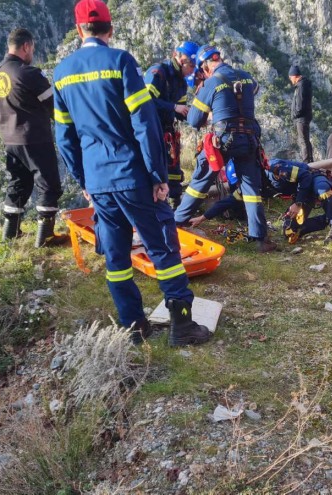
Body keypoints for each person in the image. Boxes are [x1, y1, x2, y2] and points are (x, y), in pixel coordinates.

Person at [52, 0, 210, 347]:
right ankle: (181, 326)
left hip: (98, 179)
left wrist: (85, 182)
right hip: (132, 174)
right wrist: (158, 176)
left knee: (117, 257)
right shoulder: (120, 61)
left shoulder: (62, 73)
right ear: (110, 30)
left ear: (79, 31)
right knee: (163, 248)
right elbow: (144, 123)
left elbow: (65, 139)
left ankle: (133, 326)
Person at [174, 44, 277, 253]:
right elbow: (252, 90)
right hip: (250, 138)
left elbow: (194, 120)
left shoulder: (212, 82)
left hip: (224, 138)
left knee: (201, 178)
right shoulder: (247, 77)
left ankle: (177, 221)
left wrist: (210, 108)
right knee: (250, 188)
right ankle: (261, 239)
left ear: (205, 67)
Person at [0, 28, 64, 247]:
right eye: (32, 48)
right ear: (26, 46)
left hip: (9, 139)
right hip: (34, 137)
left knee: (18, 183)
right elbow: (54, 108)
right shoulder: (28, 73)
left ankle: (10, 235)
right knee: (48, 184)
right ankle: (45, 238)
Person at [144, 41, 198, 209]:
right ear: (182, 60)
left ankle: (175, 204)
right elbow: (146, 101)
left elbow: (180, 111)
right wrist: (174, 107)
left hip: (167, 130)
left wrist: (195, 114)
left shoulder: (181, 82)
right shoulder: (158, 73)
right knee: (153, 168)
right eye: (192, 66)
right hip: (151, 129)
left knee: (173, 168)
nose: (192, 71)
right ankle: (153, 205)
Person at [268, 159, 332, 245]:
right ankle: (329, 218)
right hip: (303, 193)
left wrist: (298, 203)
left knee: (323, 190)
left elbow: (305, 176)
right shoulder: (257, 180)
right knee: (289, 232)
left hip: (312, 177)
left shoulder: (275, 166)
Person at [289, 64, 313, 162]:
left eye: (290, 78)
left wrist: (295, 114)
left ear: (294, 76)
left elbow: (300, 103)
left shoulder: (301, 85)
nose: (291, 80)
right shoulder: (302, 84)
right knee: (305, 139)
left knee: (303, 141)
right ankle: (310, 159)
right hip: (303, 116)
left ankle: (307, 161)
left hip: (301, 117)